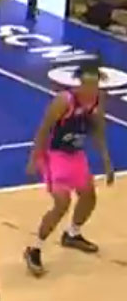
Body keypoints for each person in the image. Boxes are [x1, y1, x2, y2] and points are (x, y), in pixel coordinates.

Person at [23, 59, 114, 276]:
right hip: (54, 155)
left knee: (89, 196)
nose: (90, 89)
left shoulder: (98, 99)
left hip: (75, 154)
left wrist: (106, 161)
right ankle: (34, 249)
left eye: (94, 85)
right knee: (62, 203)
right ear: (79, 83)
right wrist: (34, 158)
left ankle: (72, 234)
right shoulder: (64, 100)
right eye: (87, 84)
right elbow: (44, 129)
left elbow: (98, 130)